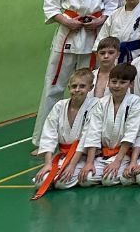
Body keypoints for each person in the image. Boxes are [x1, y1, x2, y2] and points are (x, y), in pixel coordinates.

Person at [34, 0, 119, 146]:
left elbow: (112, 4)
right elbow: (50, 4)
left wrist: (101, 20)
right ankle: (45, 139)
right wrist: (65, 21)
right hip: (68, 35)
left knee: (89, 87)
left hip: (94, 36)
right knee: (54, 86)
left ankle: (85, 138)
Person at [32, 68, 94, 198]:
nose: (77, 90)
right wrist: (48, 164)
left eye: (82, 86)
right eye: (74, 86)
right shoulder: (60, 106)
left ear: (90, 87)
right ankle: (61, 174)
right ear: (69, 87)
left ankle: (73, 174)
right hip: (63, 156)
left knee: (62, 183)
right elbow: (49, 135)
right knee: (40, 182)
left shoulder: (94, 105)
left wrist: (72, 165)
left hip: (82, 156)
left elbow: (86, 138)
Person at [78, 62, 140, 186]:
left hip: (124, 155)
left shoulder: (135, 102)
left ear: (130, 84)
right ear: (108, 82)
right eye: (114, 82)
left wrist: (117, 162)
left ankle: (128, 170)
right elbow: (93, 132)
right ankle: (118, 172)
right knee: (86, 179)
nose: (117, 86)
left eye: (123, 82)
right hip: (104, 154)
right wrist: (89, 163)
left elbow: (131, 133)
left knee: (108, 180)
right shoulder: (101, 103)